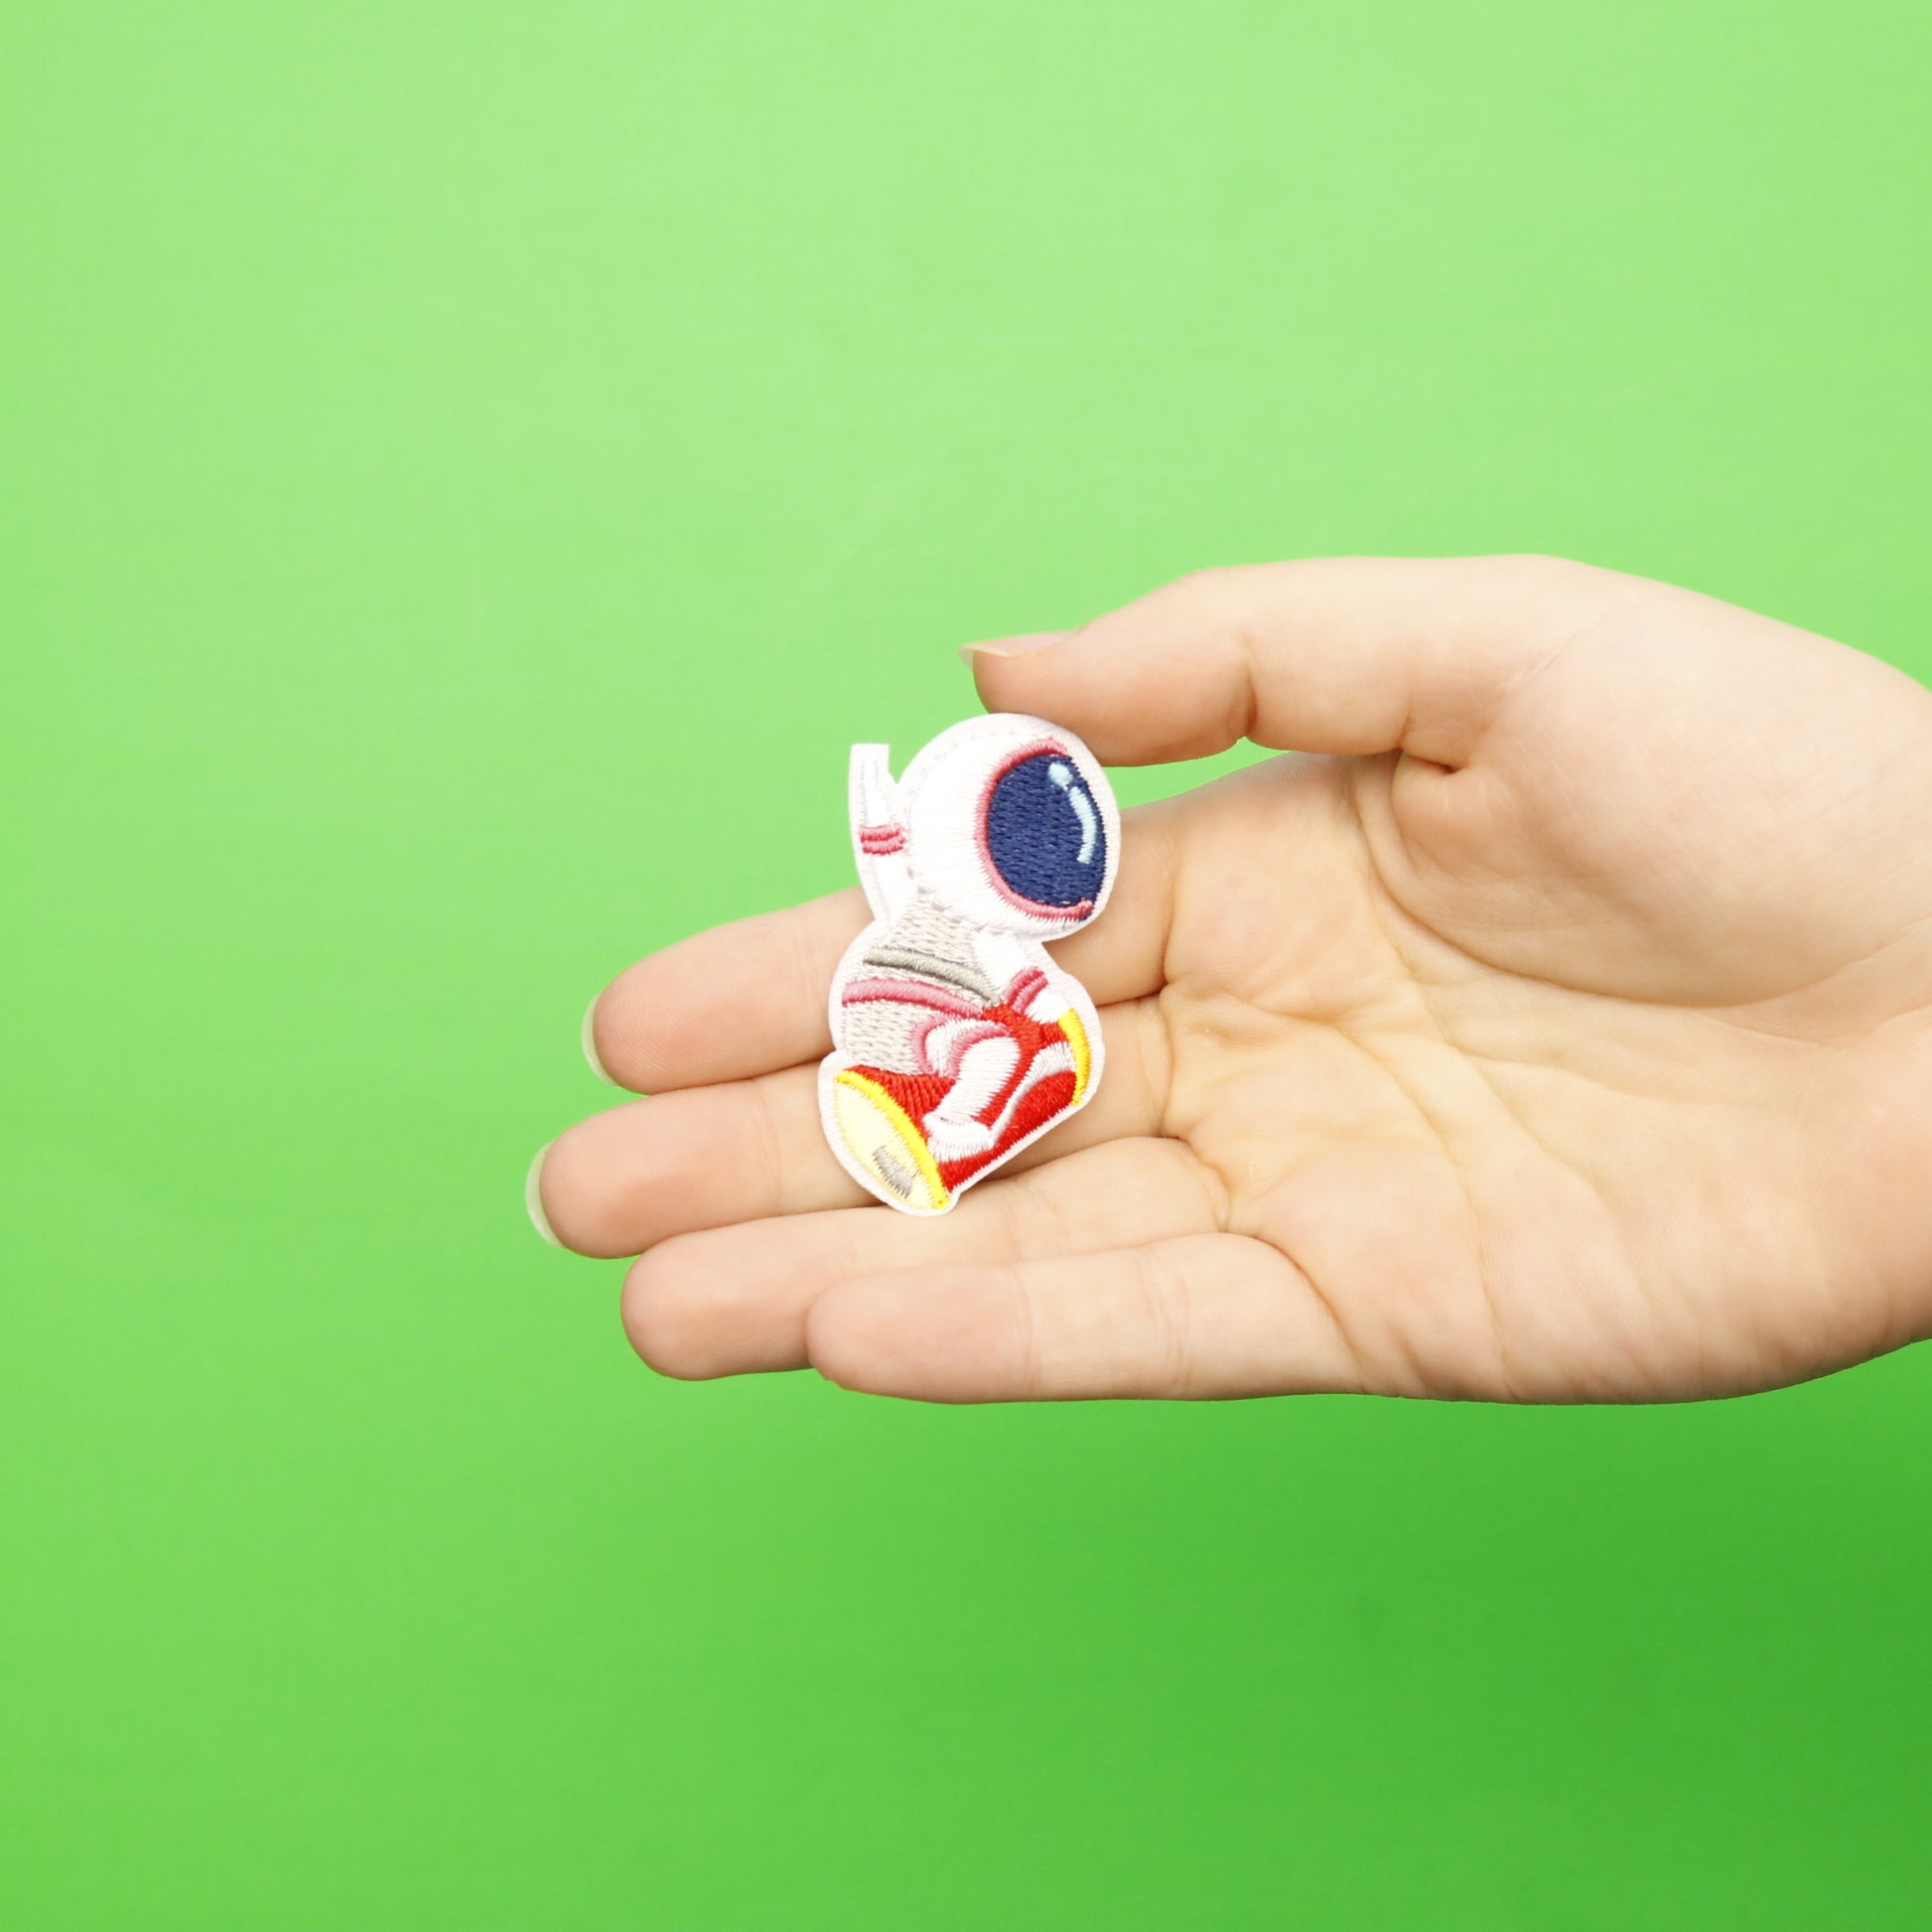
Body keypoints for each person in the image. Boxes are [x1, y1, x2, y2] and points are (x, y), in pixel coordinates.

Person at [528, 555, 1932, 1404]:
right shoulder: (981, 962)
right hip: (932, 1027)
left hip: (961, 1042)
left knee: (1031, 1053)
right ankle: (923, 1121)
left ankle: (930, 1123)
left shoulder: (1039, 1011)